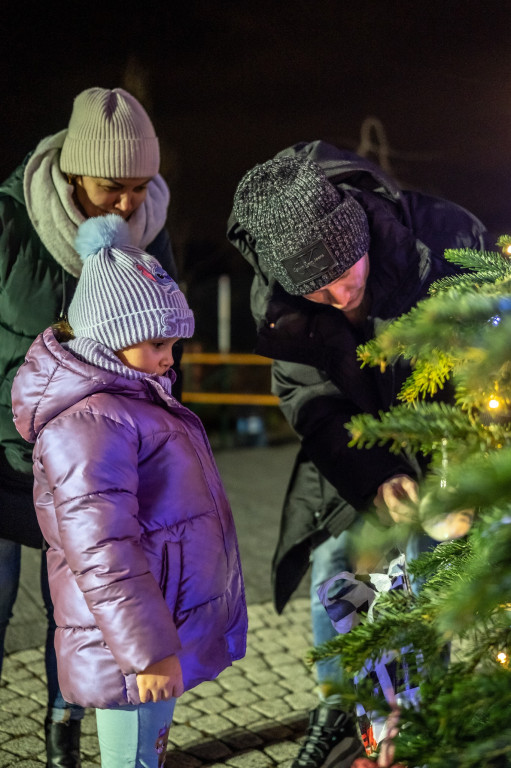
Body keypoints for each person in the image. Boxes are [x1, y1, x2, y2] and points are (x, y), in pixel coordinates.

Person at [227, 144, 489, 768]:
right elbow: (308, 394)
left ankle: (415, 722)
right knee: (335, 562)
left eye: (348, 273)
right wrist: (377, 479)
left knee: (426, 576)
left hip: (454, 443)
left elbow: (490, 369)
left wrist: (459, 477)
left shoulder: (446, 239)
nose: (340, 295)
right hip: (359, 452)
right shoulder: (284, 300)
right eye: (318, 289)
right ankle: (345, 708)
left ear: (363, 232)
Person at [11, 214, 247, 768]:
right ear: (112, 339)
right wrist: (147, 652)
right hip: (128, 643)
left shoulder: (132, 402)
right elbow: (102, 551)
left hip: (148, 628)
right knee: (134, 760)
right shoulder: (90, 423)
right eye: (158, 343)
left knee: (149, 754)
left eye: (173, 343)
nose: (171, 357)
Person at [0, 85, 180, 767]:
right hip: (3, 456)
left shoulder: (150, 229)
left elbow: (161, 344)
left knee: (73, 616)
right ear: (75, 172)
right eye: (114, 186)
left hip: (87, 465)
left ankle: (61, 735)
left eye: (141, 186)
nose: (129, 203)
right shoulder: (10, 222)